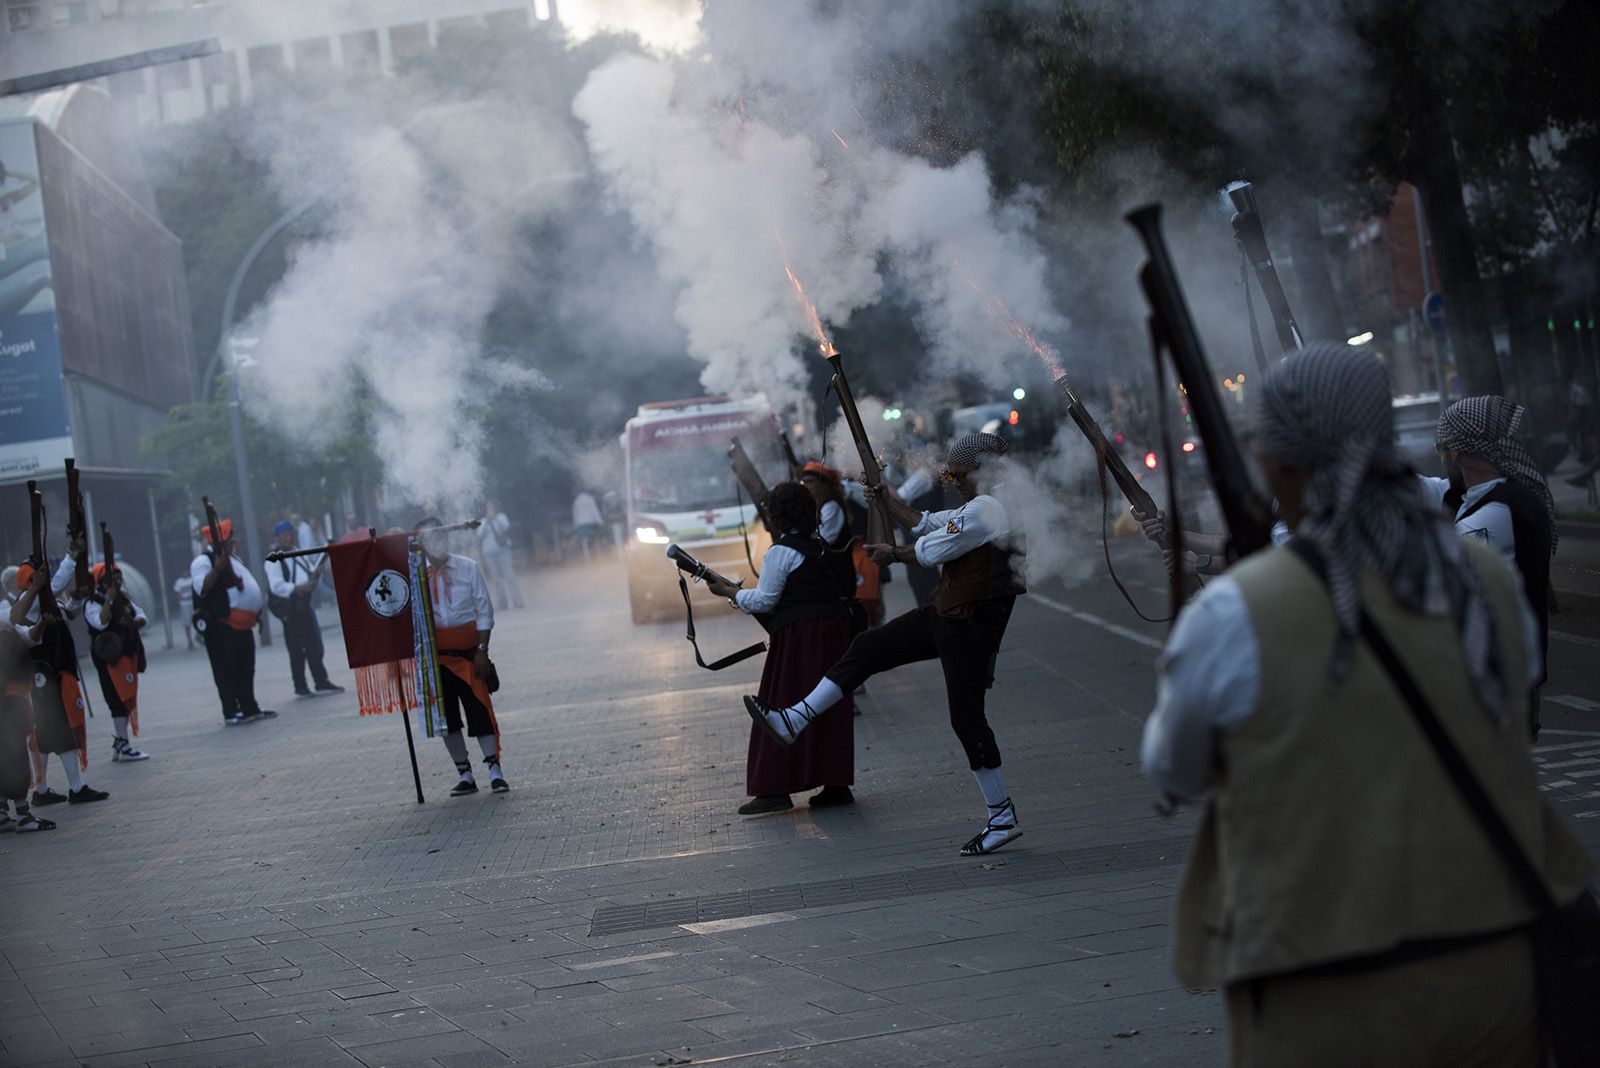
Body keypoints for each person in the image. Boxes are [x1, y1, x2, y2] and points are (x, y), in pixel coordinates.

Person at [1141, 344, 1592, 1067]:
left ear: (1281, 461)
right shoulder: (1484, 578)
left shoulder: (1236, 611)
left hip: (1324, 983)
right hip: (1496, 961)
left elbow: (1173, 769)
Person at [745, 433, 1027, 856]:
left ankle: (1001, 817)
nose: (952, 482)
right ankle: (795, 718)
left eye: (958, 475)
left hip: (968, 627)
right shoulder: (980, 505)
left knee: (967, 720)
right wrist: (885, 499)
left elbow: (932, 548)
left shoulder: (989, 508)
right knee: (868, 647)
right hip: (949, 617)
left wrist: (895, 554)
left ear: (984, 471)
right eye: (949, 474)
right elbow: (927, 522)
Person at [706, 482, 857, 815]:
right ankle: (835, 784)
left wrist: (730, 592)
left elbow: (765, 600)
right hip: (831, 632)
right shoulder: (821, 544)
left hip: (800, 637)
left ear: (775, 516)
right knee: (826, 706)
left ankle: (773, 788)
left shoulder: (781, 552)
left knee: (781, 703)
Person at [1421, 396, 1557, 739]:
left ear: (1455, 452)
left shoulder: (1494, 514)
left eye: (1441, 449)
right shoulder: (1497, 496)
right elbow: (1422, 488)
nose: (1440, 457)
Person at [418, 518, 508, 796]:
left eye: (440, 536)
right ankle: (464, 774)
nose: (437, 543)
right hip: (437, 661)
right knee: (448, 720)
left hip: (470, 657)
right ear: (421, 544)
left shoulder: (468, 567)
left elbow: (484, 611)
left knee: (480, 711)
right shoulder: (415, 575)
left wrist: (482, 650)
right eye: (430, 538)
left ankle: (495, 771)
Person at [10, 559, 108, 806]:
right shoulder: (30, 601)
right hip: (47, 676)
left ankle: (41, 789)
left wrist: (76, 598)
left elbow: (68, 611)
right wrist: (71, 558)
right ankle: (76, 786)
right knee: (61, 727)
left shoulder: (44, 601)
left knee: (46, 734)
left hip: (57, 674)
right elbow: (55, 584)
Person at [191, 518, 274, 726]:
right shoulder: (204, 561)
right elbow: (202, 588)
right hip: (222, 625)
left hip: (243, 624)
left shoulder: (234, 559)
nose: (234, 541)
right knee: (226, 670)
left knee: (246, 668)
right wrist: (218, 568)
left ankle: (249, 706)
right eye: (229, 538)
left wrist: (256, 613)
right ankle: (231, 710)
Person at [268, 521, 343, 700]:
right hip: (291, 609)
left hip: (305, 605)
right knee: (296, 650)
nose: (288, 538)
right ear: (278, 537)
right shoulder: (274, 559)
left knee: (313, 645)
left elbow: (311, 573)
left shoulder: (298, 553)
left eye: (290, 534)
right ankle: (300, 686)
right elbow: (276, 585)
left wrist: (318, 569)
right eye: (284, 535)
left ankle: (321, 681)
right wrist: (298, 588)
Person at [84, 560, 149, 762]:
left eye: (119, 577)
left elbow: (141, 617)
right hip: (109, 658)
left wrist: (130, 622)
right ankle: (123, 744)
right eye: (113, 578)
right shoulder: (93, 602)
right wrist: (109, 601)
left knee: (126, 698)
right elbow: (100, 623)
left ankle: (122, 742)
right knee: (116, 699)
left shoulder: (124, 598)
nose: (118, 582)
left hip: (127, 655)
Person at [0, 622, 51, 832]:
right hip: (7, 703)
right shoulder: (5, 620)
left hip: (11, 700)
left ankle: (2, 814)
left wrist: (42, 620)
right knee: (14, 755)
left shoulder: (7, 625)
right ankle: (23, 814)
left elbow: (30, 636)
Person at [478, 502, 524, 610]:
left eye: (492, 508)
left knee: (509, 575)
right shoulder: (482, 521)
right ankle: (502, 602)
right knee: (496, 578)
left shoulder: (501, 517)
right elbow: (480, 535)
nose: (491, 511)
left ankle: (517, 600)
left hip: (503, 551)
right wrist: (487, 522)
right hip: (489, 552)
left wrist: (495, 519)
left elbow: (505, 527)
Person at [571, 490, 604, 558]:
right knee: (596, 538)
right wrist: (600, 522)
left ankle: (587, 555)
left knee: (584, 541)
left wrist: (576, 527)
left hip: (581, 526)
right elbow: (595, 511)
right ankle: (599, 553)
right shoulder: (590, 499)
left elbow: (575, 515)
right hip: (591, 524)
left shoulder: (576, 501)